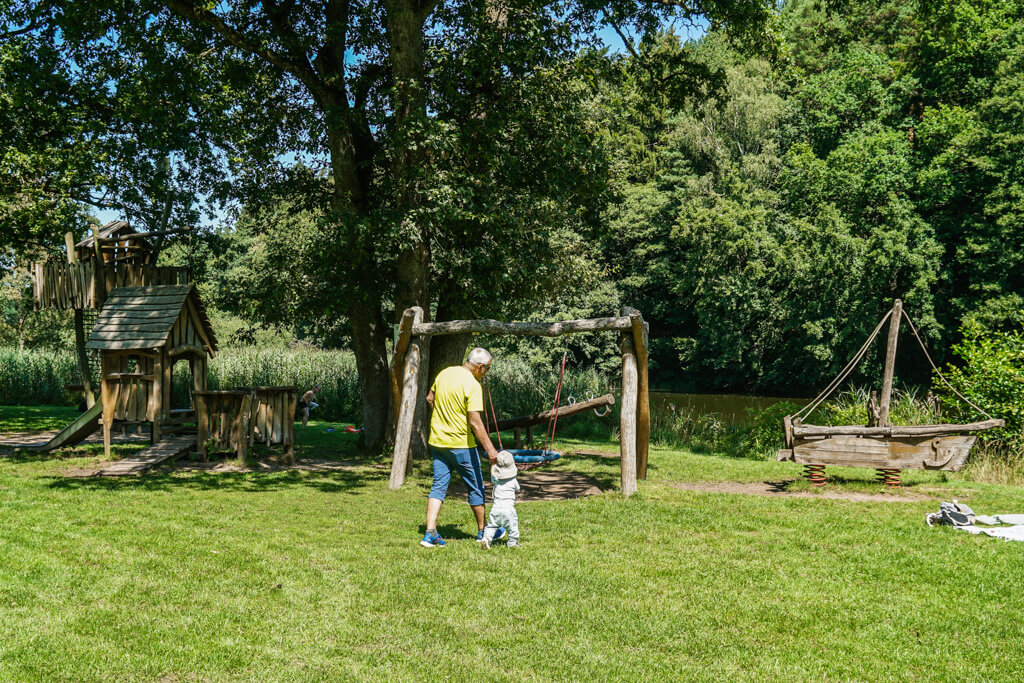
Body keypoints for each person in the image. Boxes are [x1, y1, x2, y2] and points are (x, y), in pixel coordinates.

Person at [420, 348, 505, 548]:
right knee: (476, 486)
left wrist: (442, 418)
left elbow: (429, 398)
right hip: (461, 445)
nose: (486, 374)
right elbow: (475, 422)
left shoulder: (445, 373)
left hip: (438, 441)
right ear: (480, 367)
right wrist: (492, 451)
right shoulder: (472, 385)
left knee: (438, 486)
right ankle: (483, 531)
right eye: (487, 369)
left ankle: (430, 532)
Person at [481, 450, 521, 550]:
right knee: (513, 527)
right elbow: (518, 489)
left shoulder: (496, 479)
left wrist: (493, 464)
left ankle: (486, 538)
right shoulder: (513, 480)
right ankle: (512, 543)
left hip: (495, 509)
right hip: (508, 509)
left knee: (491, 526)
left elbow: (492, 473)